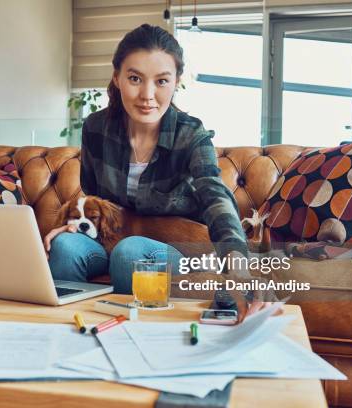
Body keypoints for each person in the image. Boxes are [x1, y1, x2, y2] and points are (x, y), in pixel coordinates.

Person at [45, 24, 266, 320]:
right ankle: (68, 330)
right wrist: (71, 226)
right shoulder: (96, 128)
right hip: (112, 239)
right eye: (135, 78)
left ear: (176, 82)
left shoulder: (191, 134)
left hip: (176, 249)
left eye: (161, 81)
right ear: (117, 77)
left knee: (130, 252)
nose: (147, 95)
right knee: (66, 246)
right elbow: (92, 194)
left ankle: (138, 337)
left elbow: (215, 196)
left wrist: (238, 262)